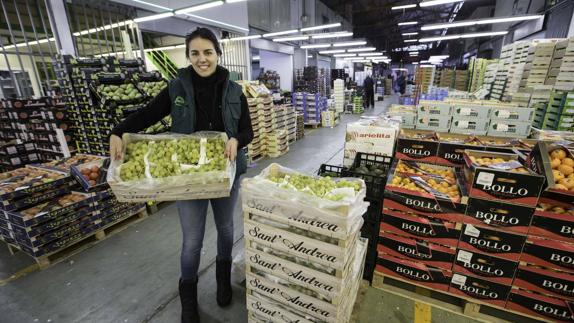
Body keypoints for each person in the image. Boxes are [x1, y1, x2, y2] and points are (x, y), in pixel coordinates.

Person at [109, 27, 253, 323]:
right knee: (192, 241)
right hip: (187, 177)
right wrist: (118, 130)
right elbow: (148, 113)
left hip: (226, 171)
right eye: (195, 53)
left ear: (218, 53)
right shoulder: (176, 87)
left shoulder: (235, 89)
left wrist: (236, 139)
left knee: (226, 230)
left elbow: (248, 130)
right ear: (188, 56)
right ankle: (188, 296)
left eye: (208, 52)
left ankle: (223, 278)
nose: (202, 59)